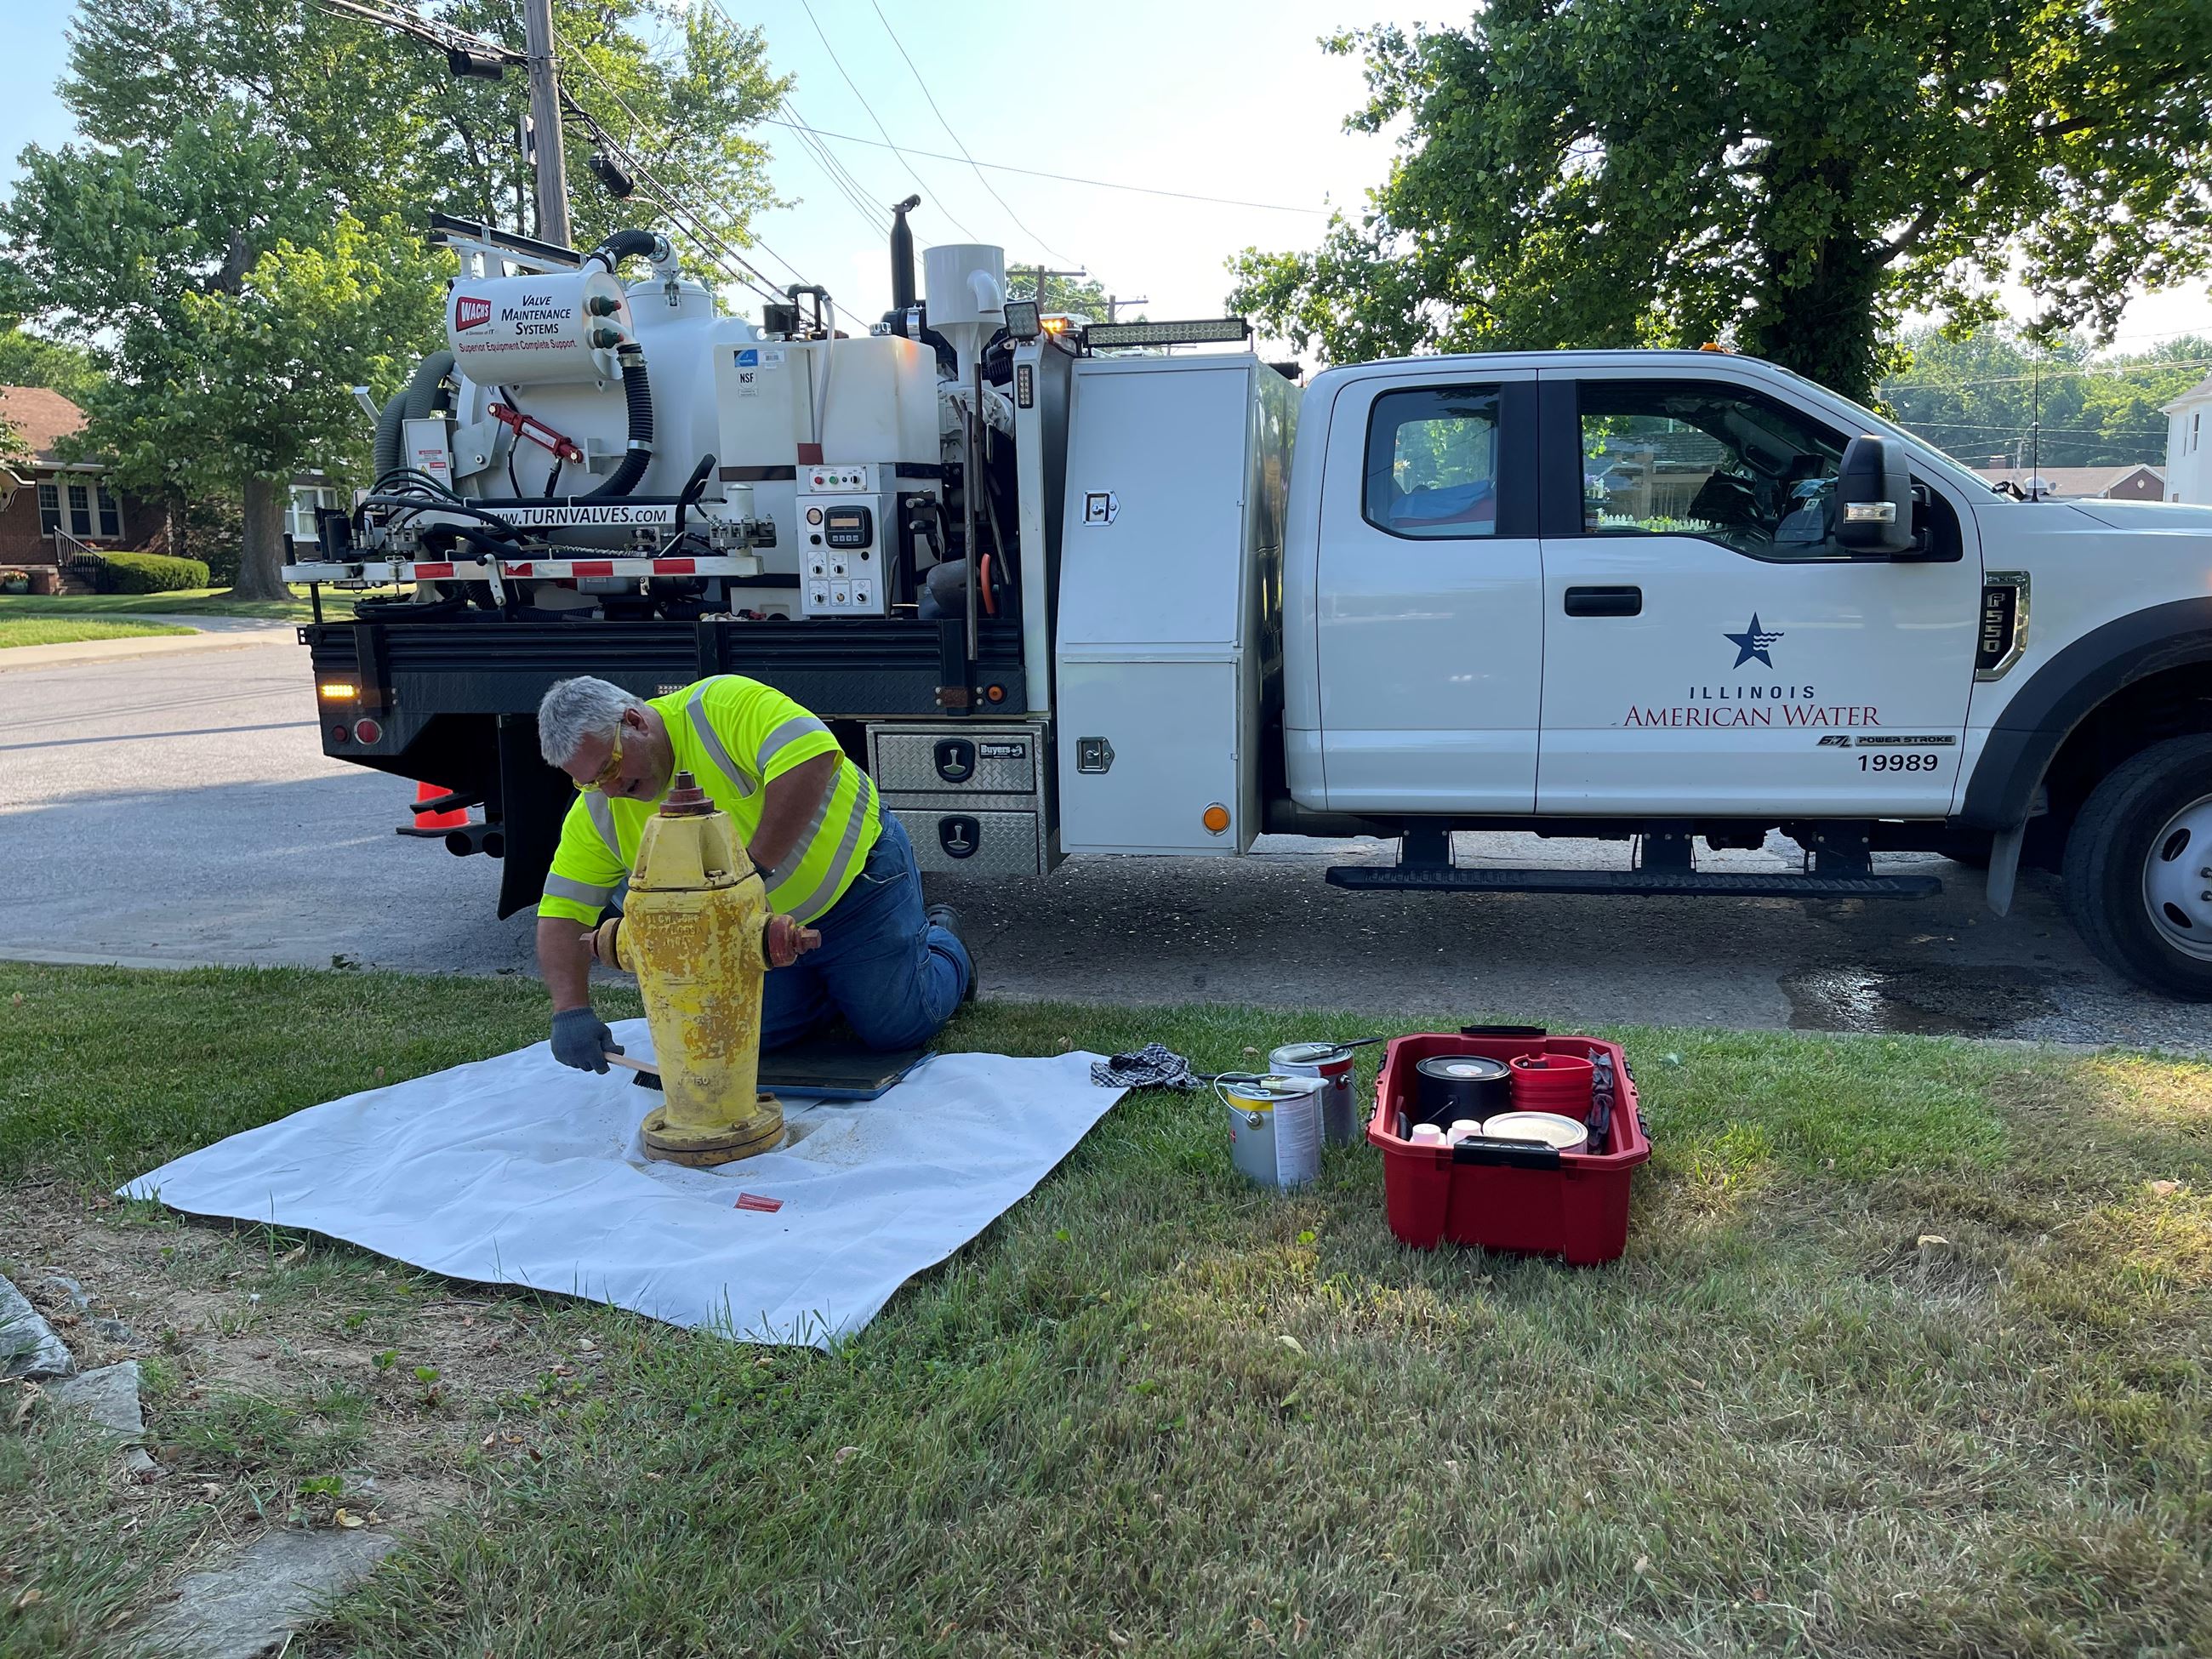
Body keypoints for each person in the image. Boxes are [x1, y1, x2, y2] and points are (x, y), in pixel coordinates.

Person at [533, 674, 972, 1073]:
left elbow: (812, 754)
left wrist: (750, 874)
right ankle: (838, 983)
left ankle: (946, 944)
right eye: (588, 782)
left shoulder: (718, 708)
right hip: (758, 936)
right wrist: (570, 1010)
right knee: (753, 1041)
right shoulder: (599, 810)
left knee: (896, 1029)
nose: (608, 789)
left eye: (609, 768)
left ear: (635, 721)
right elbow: (563, 910)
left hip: (859, 888)